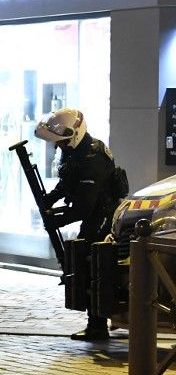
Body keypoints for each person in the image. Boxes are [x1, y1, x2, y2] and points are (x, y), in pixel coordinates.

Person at [35, 107, 125, 341]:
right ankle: (95, 324)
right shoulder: (76, 151)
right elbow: (67, 181)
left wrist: (58, 219)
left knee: (96, 266)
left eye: (62, 142)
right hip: (94, 215)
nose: (58, 147)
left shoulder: (93, 157)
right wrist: (50, 200)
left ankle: (98, 326)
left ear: (74, 135)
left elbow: (84, 206)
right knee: (88, 263)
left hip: (102, 218)